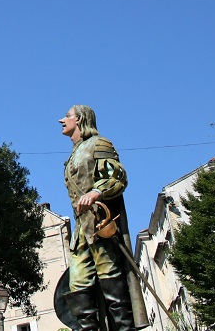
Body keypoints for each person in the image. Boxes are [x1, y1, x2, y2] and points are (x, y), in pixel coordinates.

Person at [60, 104, 136, 331]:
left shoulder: (99, 144)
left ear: (80, 119)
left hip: (100, 225)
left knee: (109, 276)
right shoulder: (73, 154)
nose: (62, 120)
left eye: (67, 116)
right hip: (81, 230)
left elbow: (118, 175)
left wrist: (96, 192)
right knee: (77, 284)